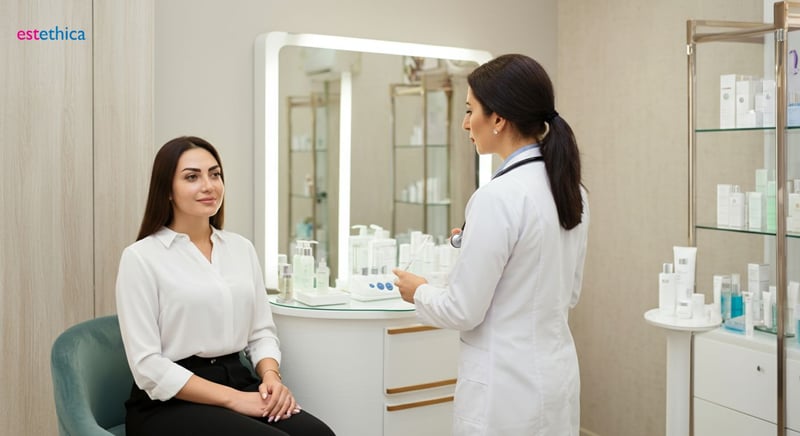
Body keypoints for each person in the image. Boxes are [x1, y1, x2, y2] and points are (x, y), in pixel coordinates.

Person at [393, 54, 589, 436]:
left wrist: (418, 292)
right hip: (555, 377)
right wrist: (471, 242)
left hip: (505, 392)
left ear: (498, 119)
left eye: (470, 110)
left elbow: (462, 310)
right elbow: (569, 290)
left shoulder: (497, 197)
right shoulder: (572, 190)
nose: (465, 123)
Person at [115, 136, 335, 436]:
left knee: (317, 434)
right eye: (192, 177)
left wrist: (271, 377)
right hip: (170, 401)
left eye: (215, 174)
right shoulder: (140, 258)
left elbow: (261, 333)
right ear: (167, 189)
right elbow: (148, 366)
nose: (208, 185)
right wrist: (235, 400)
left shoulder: (240, 248)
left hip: (239, 378)